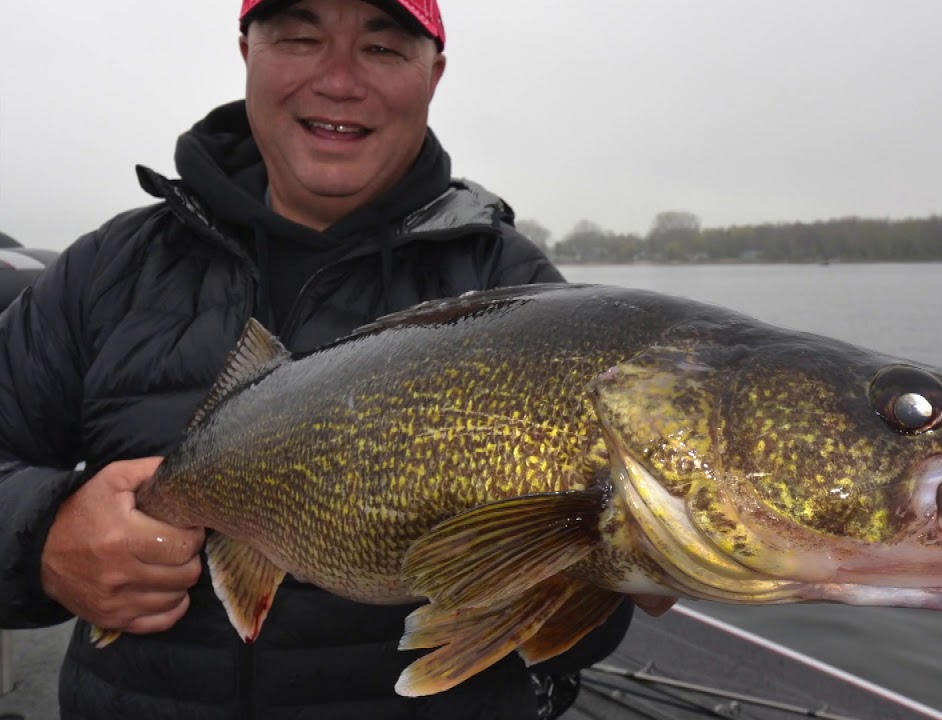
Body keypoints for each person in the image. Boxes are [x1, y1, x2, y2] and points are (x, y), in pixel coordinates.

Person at [0, 1, 633, 718]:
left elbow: (576, 636)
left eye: (383, 50)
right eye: (301, 39)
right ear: (247, 53)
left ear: (435, 75)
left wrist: (617, 559)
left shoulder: (516, 297)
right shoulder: (105, 272)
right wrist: (41, 540)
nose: (337, 80)